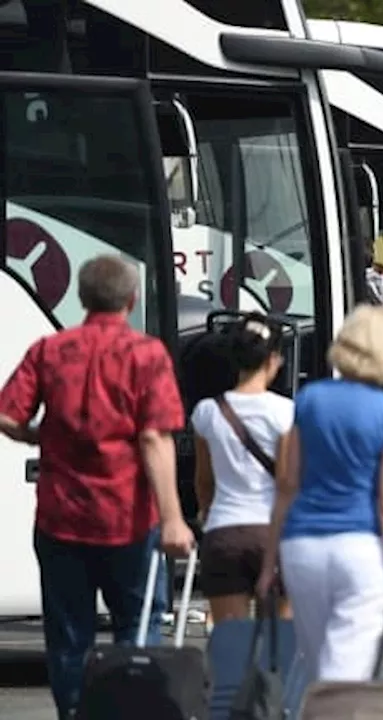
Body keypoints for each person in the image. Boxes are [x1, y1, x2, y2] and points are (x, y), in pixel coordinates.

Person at [0, 255, 193, 719]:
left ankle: (74, 713)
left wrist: (38, 436)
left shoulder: (49, 350)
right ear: (132, 299)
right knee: (138, 622)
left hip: (61, 517)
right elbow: (154, 436)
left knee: (69, 635)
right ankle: (131, 709)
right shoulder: (146, 355)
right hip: (129, 518)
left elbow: (7, 415)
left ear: (82, 297)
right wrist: (173, 518)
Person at [258, 305, 383, 683]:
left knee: (319, 670)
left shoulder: (311, 400)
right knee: (346, 674)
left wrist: (269, 565)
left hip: (301, 546)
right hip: (359, 549)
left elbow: (287, 485)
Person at [192, 314, 293, 626]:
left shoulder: (207, 412)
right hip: (273, 534)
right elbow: (289, 483)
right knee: (279, 649)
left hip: (224, 533)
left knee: (230, 646)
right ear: (273, 359)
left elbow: (204, 481)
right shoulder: (285, 412)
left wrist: (207, 514)